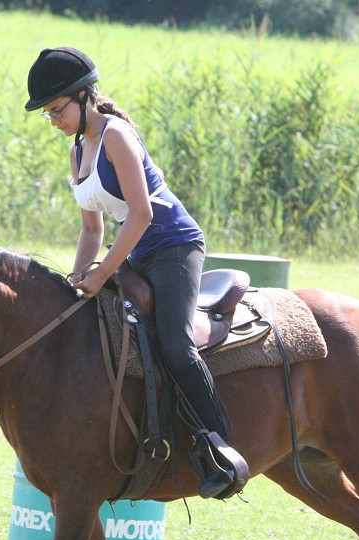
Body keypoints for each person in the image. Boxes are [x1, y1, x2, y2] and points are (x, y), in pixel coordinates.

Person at [24, 47, 244, 499]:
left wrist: (103, 273)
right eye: (47, 115)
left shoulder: (116, 136)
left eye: (57, 110)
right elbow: (91, 227)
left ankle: (223, 448)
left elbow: (141, 215)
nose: (54, 121)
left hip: (174, 246)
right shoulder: (76, 151)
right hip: (134, 253)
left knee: (177, 345)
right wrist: (77, 276)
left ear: (84, 97)